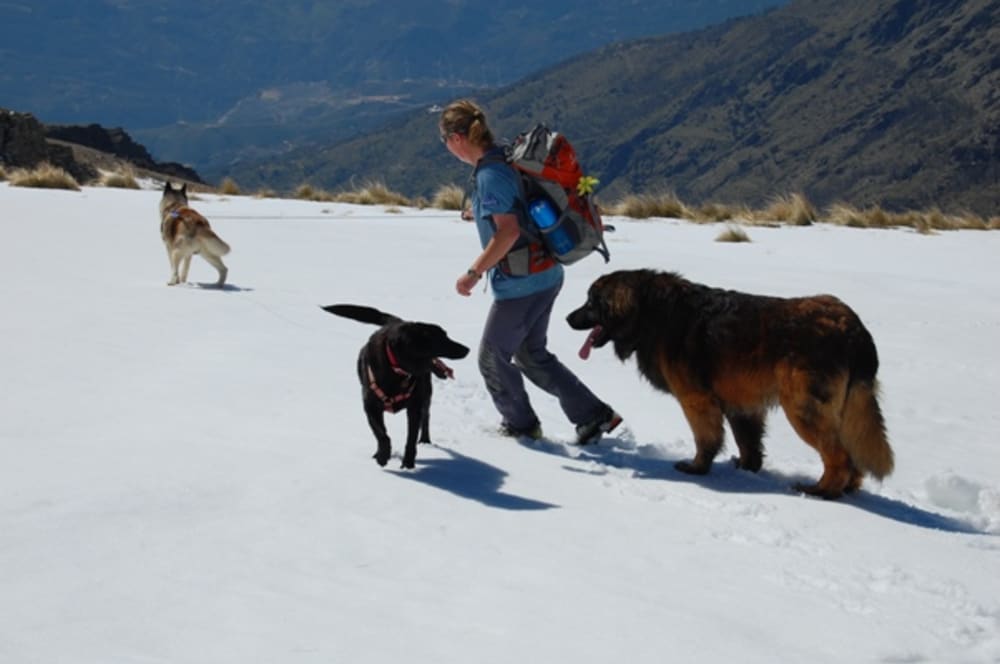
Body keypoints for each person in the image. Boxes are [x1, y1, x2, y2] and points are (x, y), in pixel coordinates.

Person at [439, 99, 621, 443]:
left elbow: (507, 231)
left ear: (457, 138)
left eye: (444, 140)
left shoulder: (491, 174)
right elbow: (513, 212)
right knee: (531, 355)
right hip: (547, 273)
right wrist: (478, 216)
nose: (446, 147)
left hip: (521, 284)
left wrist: (474, 273)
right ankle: (594, 416)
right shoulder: (502, 156)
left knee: (492, 358)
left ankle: (521, 427)